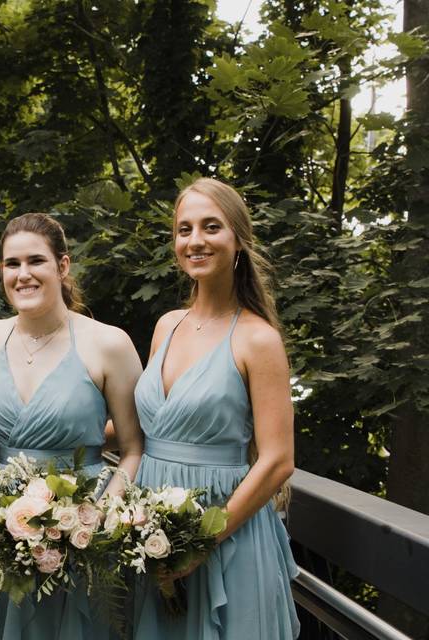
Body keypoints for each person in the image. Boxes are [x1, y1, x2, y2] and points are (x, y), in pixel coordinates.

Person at [132, 178, 299, 638]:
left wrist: (202, 541)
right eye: (184, 230)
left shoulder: (257, 339)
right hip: (154, 534)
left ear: (238, 240)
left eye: (211, 227)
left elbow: (278, 460)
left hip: (226, 530)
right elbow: (154, 426)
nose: (196, 240)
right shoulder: (167, 326)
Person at [0, 212, 144, 640]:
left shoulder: (108, 343)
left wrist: (95, 519)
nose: (23, 274)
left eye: (36, 261)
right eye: (12, 264)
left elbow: (134, 448)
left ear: (62, 266)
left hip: (80, 527)